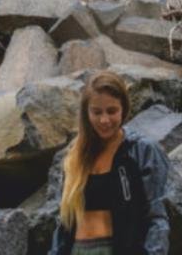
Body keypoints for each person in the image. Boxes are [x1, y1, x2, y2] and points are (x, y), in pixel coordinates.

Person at [49, 70, 171, 255]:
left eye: (112, 111)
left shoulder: (141, 151)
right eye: (96, 112)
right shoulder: (75, 156)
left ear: (124, 108)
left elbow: (157, 217)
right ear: (86, 113)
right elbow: (63, 223)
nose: (104, 120)